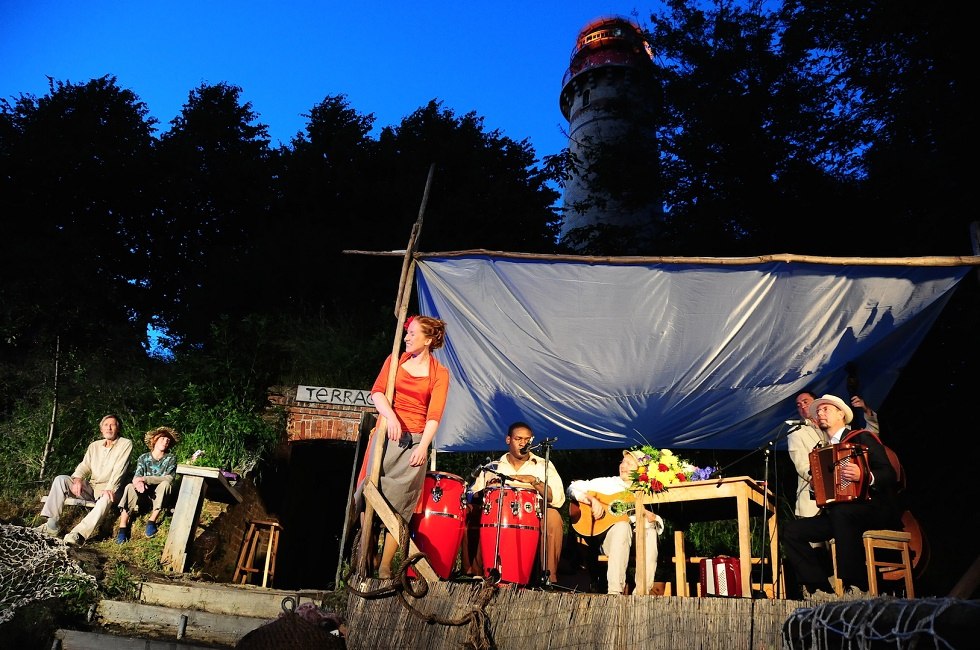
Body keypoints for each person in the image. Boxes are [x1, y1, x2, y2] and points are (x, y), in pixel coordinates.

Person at [353, 315, 450, 579]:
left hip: (414, 442)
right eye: (406, 332)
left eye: (412, 333)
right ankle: (366, 556)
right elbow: (377, 393)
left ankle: (385, 565)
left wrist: (423, 447)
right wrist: (391, 417)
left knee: (400, 503)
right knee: (368, 495)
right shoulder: (395, 361)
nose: (406, 337)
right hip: (386, 435)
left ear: (428, 339)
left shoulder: (439, 373)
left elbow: (434, 414)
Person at [781, 394, 903, 597]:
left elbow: (888, 474)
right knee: (791, 530)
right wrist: (816, 488)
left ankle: (856, 585)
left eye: (825, 409)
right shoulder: (821, 450)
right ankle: (819, 588)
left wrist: (864, 475)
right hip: (842, 515)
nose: (820, 413)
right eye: (818, 411)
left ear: (841, 414)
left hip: (874, 509)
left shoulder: (861, 437)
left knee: (841, 512)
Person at [465, 421, 565, 584]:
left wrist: (534, 481)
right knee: (471, 511)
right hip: (498, 515)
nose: (523, 443)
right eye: (518, 438)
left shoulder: (543, 465)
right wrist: (486, 491)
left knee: (553, 517)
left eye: (527, 439)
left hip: (532, 514)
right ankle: (475, 574)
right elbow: (471, 495)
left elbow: (558, 498)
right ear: (508, 440)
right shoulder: (493, 467)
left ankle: (548, 577)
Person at [567, 449, 664, 595]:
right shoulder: (607, 483)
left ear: (640, 471)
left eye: (629, 463)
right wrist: (592, 500)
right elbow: (572, 488)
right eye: (622, 462)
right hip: (607, 540)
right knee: (622, 526)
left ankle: (641, 593)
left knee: (650, 531)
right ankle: (615, 592)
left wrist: (649, 518)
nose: (623, 466)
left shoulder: (644, 492)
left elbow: (650, 524)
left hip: (633, 542)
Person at [35, 414, 133, 546]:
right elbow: (85, 465)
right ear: (101, 429)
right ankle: (52, 526)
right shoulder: (94, 446)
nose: (109, 427)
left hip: (113, 489)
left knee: (106, 497)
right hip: (92, 486)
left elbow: (120, 469)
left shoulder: (125, 443)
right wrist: (78, 479)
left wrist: (110, 488)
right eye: (106, 425)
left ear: (118, 428)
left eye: (113, 425)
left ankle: (78, 534)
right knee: (61, 480)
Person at [115, 426, 180, 544]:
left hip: (159, 495)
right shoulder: (143, 458)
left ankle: (152, 521)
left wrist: (145, 479)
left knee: (165, 484)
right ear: (154, 440)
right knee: (129, 487)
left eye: (168, 440)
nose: (165, 442)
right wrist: (138, 482)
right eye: (163, 439)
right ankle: (123, 527)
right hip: (143, 494)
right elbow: (137, 475)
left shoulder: (171, 458)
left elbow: (169, 478)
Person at [787, 390, 828, 520]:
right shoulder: (796, 431)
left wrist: (867, 413)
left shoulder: (831, 425)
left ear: (816, 403)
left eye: (805, 402)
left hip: (838, 501)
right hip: (811, 502)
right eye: (798, 405)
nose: (802, 406)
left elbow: (868, 436)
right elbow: (801, 465)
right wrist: (816, 480)